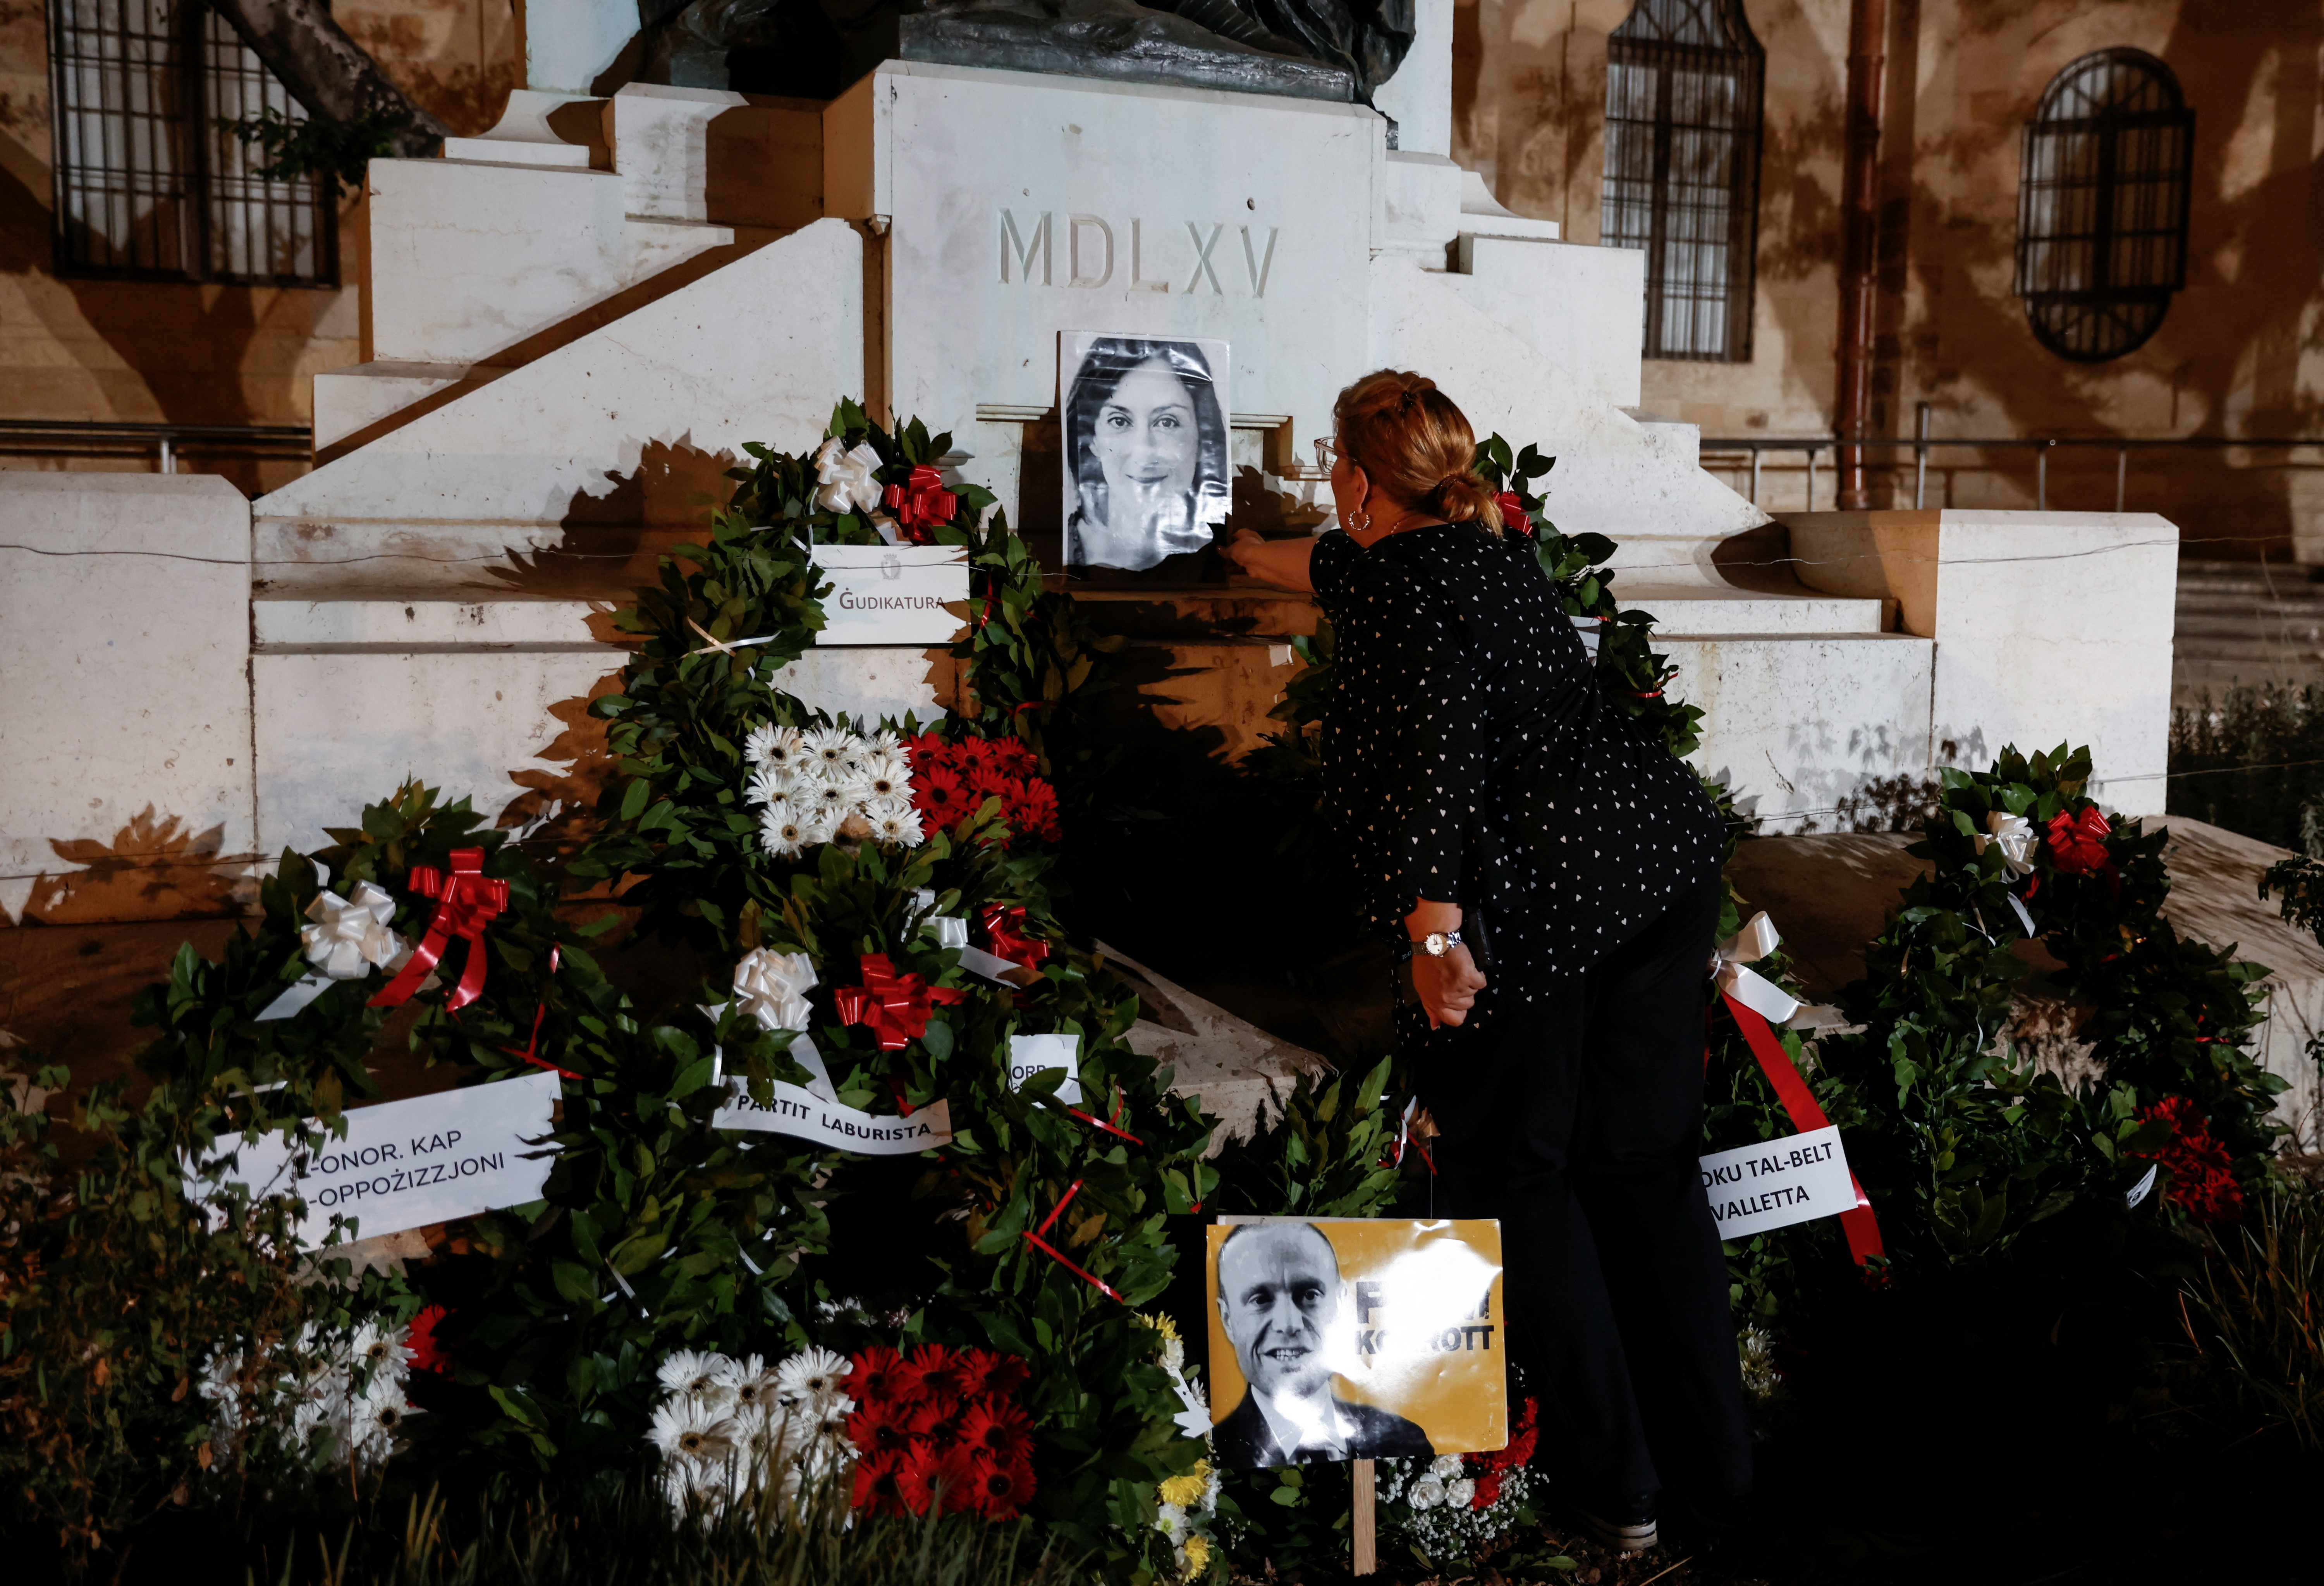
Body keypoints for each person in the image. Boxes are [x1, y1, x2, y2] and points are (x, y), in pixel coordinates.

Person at [1222, 371, 1750, 1552]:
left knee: (1517, 1172)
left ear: (1356, 478)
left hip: (1543, 894)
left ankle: (1615, 1487)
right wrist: (1245, 551)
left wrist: (1431, 936)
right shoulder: (1479, 554)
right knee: (1645, 1170)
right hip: (1653, 865)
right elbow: (1322, 567)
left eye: (1331, 471)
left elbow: (1438, 762)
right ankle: (1717, 1473)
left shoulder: (1398, 602)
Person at [1211, 1221, 1435, 1468]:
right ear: (1228, 1320)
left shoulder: (1406, 1442)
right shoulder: (1208, 1457)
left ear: (1340, 1306)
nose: (1289, 1324)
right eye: (1260, 1300)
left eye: (1309, 1295)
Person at [1063, 337, 1231, 571]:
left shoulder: (1229, 557)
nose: (1145, 452)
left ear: (1203, 438)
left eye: (1168, 423)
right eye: (1119, 421)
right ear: (1092, 438)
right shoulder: (1048, 554)